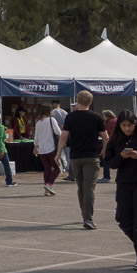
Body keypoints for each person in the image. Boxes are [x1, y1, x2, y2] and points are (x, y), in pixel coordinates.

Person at [102, 111, 137, 270]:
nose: (127, 128)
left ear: (136, 124)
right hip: (124, 184)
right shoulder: (115, 140)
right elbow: (110, 163)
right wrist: (121, 156)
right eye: (124, 125)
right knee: (123, 219)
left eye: (130, 125)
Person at [56, 91, 106, 229]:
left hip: (76, 157)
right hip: (91, 156)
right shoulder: (96, 117)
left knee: (81, 186)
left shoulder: (70, 117)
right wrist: (105, 149)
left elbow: (63, 137)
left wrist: (58, 153)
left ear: (77, 101)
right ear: (90, 102)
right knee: (89, 187)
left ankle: (85, 214)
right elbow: (105, 136)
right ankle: (88, 218)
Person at [34, 106, 63, 196]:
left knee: (47, 168)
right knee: (58, 168)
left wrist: (36, 147)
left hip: (42, 149)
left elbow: (36, 136)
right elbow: (58, 132)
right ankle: (49, 184)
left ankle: (47, 188)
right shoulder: (51, 120)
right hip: (51, 147)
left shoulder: (38, 122)